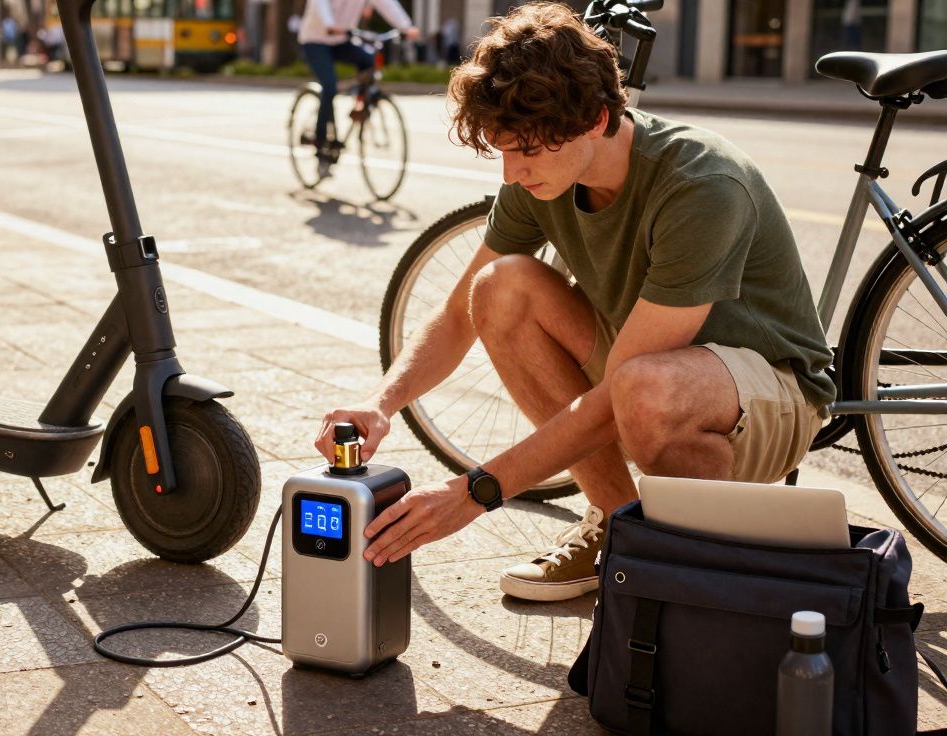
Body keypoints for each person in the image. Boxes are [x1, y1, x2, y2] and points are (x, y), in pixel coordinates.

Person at [316, 1, 834, 603]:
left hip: (772, 392)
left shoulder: (703, 184)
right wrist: (380, 403)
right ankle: (620, 528)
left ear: (595, 119)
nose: (511, 174)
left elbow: (616, 397)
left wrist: (474, 493)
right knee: (499, 289)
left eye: (527, 151)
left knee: (644, 390)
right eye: (502, 150)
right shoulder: (542, 178)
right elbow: (459, 315)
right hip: (647, 368)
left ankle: (695, 568)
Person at [296, 0, 419, 177]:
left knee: (369, 62)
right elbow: (319, 3)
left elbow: (386, 3)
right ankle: (320, 146)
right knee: (329, 87)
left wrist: (406, 26)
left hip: (341, 39)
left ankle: (360, 106)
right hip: (315, 39)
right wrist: (329, 24)